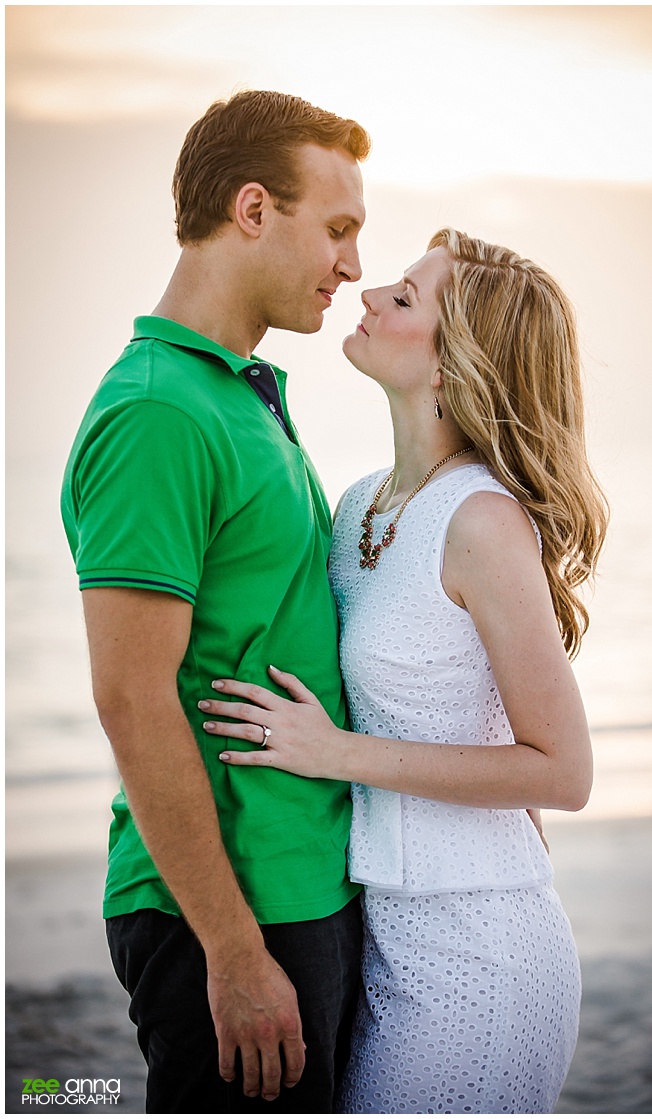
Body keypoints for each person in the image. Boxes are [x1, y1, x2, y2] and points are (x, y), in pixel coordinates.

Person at [197, 227, 609, 1113]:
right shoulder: (358, 506)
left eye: (408, 296)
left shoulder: (485, 524)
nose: (372, 291)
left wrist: (332, 751)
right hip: (384, 941)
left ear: (457, 363)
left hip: (483, 954)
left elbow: (563, 771)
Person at [60, 90, 370, 1113]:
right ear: (251, 210)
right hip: (230, 912)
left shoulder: (237, 391)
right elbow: (133, 698)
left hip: (299, 883)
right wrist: (232, 951)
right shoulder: (157, 411)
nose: (354, 265)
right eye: (337, 229)